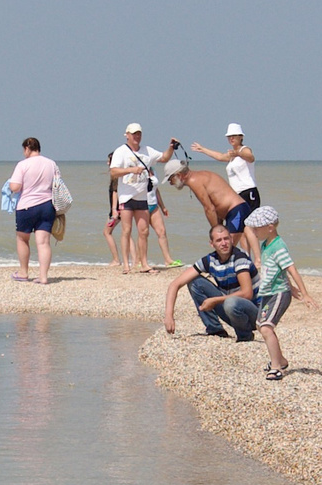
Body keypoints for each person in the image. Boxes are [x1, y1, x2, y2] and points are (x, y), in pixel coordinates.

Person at [162, 222, 259, 342]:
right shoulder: (210, 260)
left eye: (226, 239)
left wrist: (214, 300)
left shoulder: (240, 258)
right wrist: (169, 316)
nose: (224, 243)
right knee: (194, 282)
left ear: (232, 239)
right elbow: (175, 284)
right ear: (212, 244)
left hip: (254, 313)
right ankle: (215, 330)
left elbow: (247, 293)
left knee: (231, 303)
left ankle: (245, 335)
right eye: (219, 240)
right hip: (232, 310)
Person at [248, 206, 314, 379]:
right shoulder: (265, 245)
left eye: (257, 228)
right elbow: (279, 271)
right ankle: (280, 359)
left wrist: (303, 293)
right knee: (260, 325)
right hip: (268, 291)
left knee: (267, 327)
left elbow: (291, 268)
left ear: (270, 227)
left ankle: (277, 367)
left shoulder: (278, 246)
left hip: (279, 293)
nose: (254, 231)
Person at [192, 124, 263, 261]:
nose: (231, 139)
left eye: (233, 136)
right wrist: (202, 149)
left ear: (240, 137)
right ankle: (246, 257)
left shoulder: (243, 150)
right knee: (241, 230)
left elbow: (250, 157)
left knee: (249, 228)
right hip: (236, 197)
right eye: (229, 137)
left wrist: (237, 153)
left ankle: (258, 260)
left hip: (248, 192)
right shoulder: (231, 156)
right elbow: (219, 157)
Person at [110, 122, 170, 271]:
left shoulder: (147, 150)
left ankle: (144, 263)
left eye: (139, 134)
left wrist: (171, 147)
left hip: (142, 197)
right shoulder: (121, 151)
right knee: (126, 230)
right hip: (127, 197)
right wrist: (131, 170)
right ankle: (126, 263)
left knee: (144, 231)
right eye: (134, 134)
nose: (137, 136)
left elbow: (164, 158)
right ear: (127, 135)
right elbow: (113, 172)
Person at [7, 137, 60, 285]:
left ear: (27, 149)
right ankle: (43, 277)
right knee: (43, 242)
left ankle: (23, 272)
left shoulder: (22, 165)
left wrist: (10, 184)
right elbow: (57, 183)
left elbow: (15, 187)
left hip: (27, 206)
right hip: (47, 205)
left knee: (23, 239)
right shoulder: (51, 163)